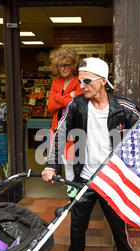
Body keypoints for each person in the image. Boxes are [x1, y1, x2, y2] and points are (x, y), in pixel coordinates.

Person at [42, 57, 140, 251]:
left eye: (86, 80)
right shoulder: (76, 106)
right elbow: (59, 133)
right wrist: (51, 165)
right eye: (80, 81)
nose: (81, 85)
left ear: (102, 81)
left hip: (112, 181)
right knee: (77, 228)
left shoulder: (124, 108)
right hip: (83, 179)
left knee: (119, 229)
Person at [47, 46, 82, 180]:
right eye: (59, 66)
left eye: (66, 65)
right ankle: (71, 196)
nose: (62, 68)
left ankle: (75, 198)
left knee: (71, 165)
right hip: (56, 129)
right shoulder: (56, 82)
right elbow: (50, 107)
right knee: (57, 163)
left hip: (73, 130)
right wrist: (68, 97)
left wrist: (58, 97)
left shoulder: (80, 81)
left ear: (73, 65)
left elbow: (76, 105)